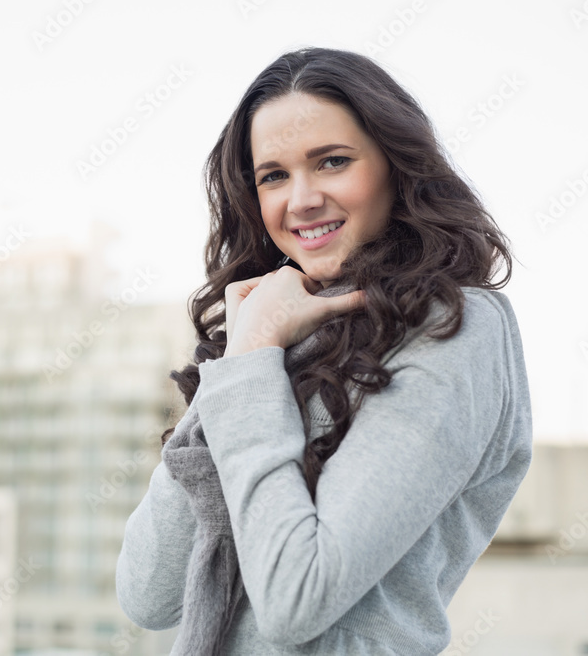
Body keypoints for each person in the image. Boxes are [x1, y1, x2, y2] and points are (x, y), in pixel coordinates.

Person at [115, 46, 533, 655]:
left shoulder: (455, 328)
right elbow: (148, 592)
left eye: (332, 162)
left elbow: (295, 598)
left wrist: (253, 357)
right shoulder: (275, 338)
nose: (302, 199)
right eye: (274, 176)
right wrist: (241, 362)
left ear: (397, 166)